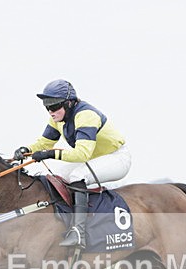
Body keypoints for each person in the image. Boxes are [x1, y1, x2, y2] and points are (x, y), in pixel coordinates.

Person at [13, 79, 131, 248]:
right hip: (94, 159)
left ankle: (79, 232)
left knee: (77, 175)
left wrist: (49, 154)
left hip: (117, 158)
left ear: (68, 104)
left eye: (54, 107)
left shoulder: (86, 115)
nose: (50, 112)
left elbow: (82, 154)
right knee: (57, 176)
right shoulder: (57, 119)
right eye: (47, 107)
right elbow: (45, 143)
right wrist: (27, 149)